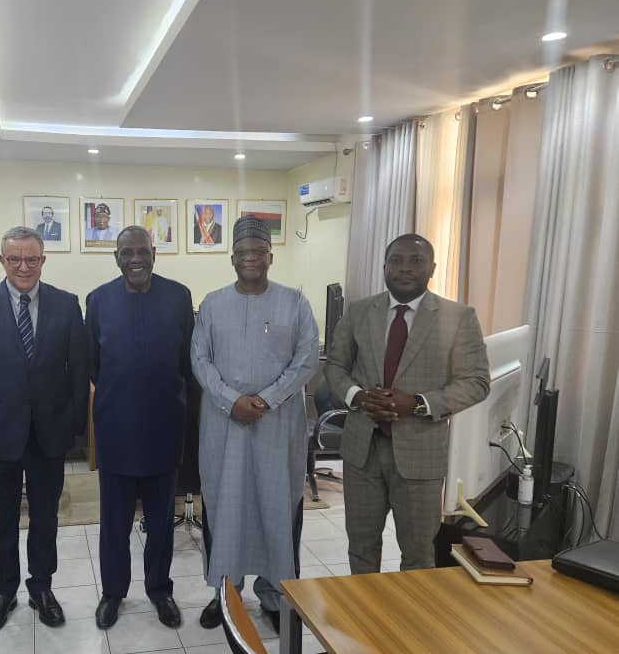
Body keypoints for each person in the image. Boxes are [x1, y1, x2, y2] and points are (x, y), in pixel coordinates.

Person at [325, 234, 490, 574]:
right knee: (361, 548)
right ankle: (362, 625)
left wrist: (417, 403)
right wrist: (357, 396)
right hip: (362, 453)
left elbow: (476, 382)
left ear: (432, 267)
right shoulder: (359, 312)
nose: (404, 268)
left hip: (420, 456)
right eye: (396, 260)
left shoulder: (457, 317)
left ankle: (410, 625)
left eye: (416, 261)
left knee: (418, 555)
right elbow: (335, 365)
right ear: (384, 266)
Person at [0, 226, 88, 632]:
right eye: (14, 259)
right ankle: (4, 590)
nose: (23, 267)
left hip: (48, 432)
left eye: (32, 259)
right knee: (0, 517)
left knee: (46, 515)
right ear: (2, 261)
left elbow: (78, 370)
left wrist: (75, 427)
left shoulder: (67, 305)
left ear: (43, 260)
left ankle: (41, 587)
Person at [192, 215, 318, 631]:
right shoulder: (212, 304)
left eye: (257, 253)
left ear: (270, 257)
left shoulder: (294, 302)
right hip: (225, 427)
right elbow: (200, 360)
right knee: (225, 506)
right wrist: (232, 401)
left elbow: (307, 359)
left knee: (276, 508)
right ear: (232, 259)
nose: (250, 259)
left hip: (276, 428)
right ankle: (225, 595)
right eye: (242, 253)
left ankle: (276, 596)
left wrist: (265, 399)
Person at [86, 226, 194, 629]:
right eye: (127, 252)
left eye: (143, 251)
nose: (136, 259)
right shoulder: (98, 301)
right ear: (116, 258)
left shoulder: (179, 297)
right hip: (115, 428)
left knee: (161, 519)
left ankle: (160, 590)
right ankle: (113, 592)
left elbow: (186, 362)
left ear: (155, 254)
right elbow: (93, 363)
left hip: (164, 425)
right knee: (114, 520)